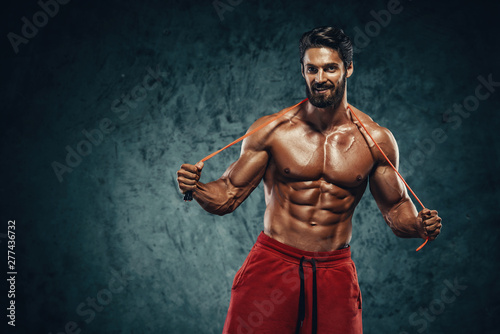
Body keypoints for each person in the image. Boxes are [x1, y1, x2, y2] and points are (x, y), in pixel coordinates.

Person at [176, 26, 442, 334]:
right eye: (311, 69)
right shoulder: (273, 131)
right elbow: (227, 195)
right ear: (302, 71)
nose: (319, 78)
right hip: (273, 264)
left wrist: (418, 226)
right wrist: (194, 188)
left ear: (349, 68)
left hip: (334, 270)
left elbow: (396, 208)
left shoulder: (376, 140)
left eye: (330, 68)